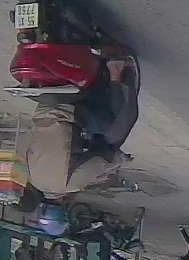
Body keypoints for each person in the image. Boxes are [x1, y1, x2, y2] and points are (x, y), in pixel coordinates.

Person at [19, 57, 140, 199]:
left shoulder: (67, 185)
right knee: (92, 122)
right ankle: (99, 73)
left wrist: (119, 159)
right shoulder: (30, 174)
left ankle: (116, 70)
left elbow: (99, 161)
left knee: (115, 127)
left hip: (66, 114)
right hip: (44, 110)